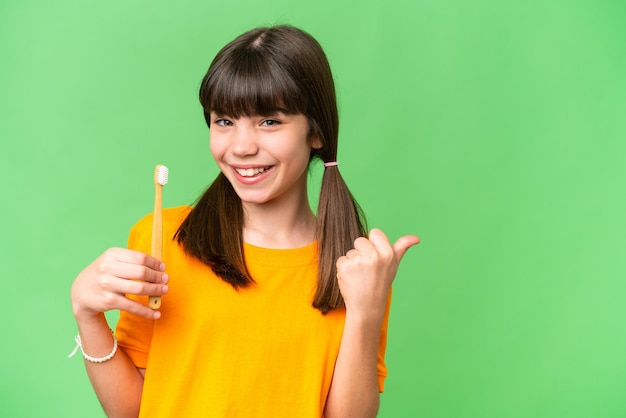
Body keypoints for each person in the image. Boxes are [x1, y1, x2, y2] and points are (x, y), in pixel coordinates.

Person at [70, 24, 419, 418]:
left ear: (316, 131)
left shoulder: (357, 267)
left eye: (269, 121)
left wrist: (366, 312)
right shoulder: (163, 238)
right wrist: (87, 314)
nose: (241, 146)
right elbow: (130, 409)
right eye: (224, 121)